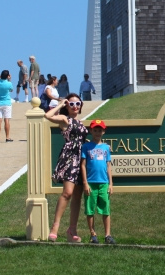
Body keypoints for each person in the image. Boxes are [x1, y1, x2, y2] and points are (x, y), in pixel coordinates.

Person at [46, 94, 88, 242]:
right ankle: (55, 227)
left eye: (78, 103)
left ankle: (72, 230)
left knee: (77, 196)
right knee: (67, 193)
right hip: (70, 159)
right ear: (67, 106)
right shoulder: (65, 120)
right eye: (71, 104)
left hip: (81, 160)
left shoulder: (81, 123)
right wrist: (60, 104)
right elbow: (48, 115)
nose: (75, 106)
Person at [81, 119, 115, 244]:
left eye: (100, 130)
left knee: (106, 209)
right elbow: (83, 165)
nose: (97, 132)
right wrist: (85, 183)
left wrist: (111, 184)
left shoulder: (106, 147)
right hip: (90, 182)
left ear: (103, 132)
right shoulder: (86, 147)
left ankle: (108, 235)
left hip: (104, 183)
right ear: (91, 131)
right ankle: (93, 234)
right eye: (95, 130)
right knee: (90, 210)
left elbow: (108, 166)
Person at [0, 69, 14, 142]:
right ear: (8, 76)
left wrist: (0, 75)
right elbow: (11, 90)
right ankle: (7, 137)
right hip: (7, 103)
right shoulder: (9, 83)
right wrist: (9, 79)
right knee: (7, 120)